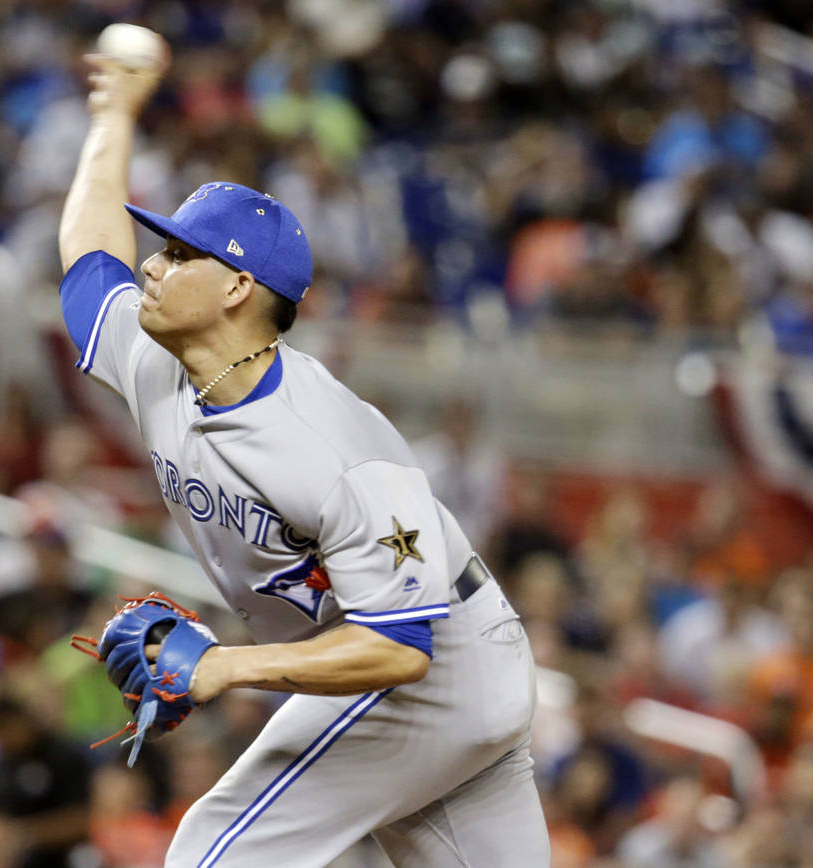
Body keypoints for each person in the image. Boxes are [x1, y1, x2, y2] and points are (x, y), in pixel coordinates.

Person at [55, 42, 549, 867]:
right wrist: (114, 117)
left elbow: (399, 647)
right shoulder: (152, 361)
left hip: (430, 665)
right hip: (433, 671)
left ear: (237, 287)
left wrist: (224, 667)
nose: (152, 265)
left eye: (179, 255)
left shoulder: (333, 446)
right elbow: (87, 255)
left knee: (211, 854)